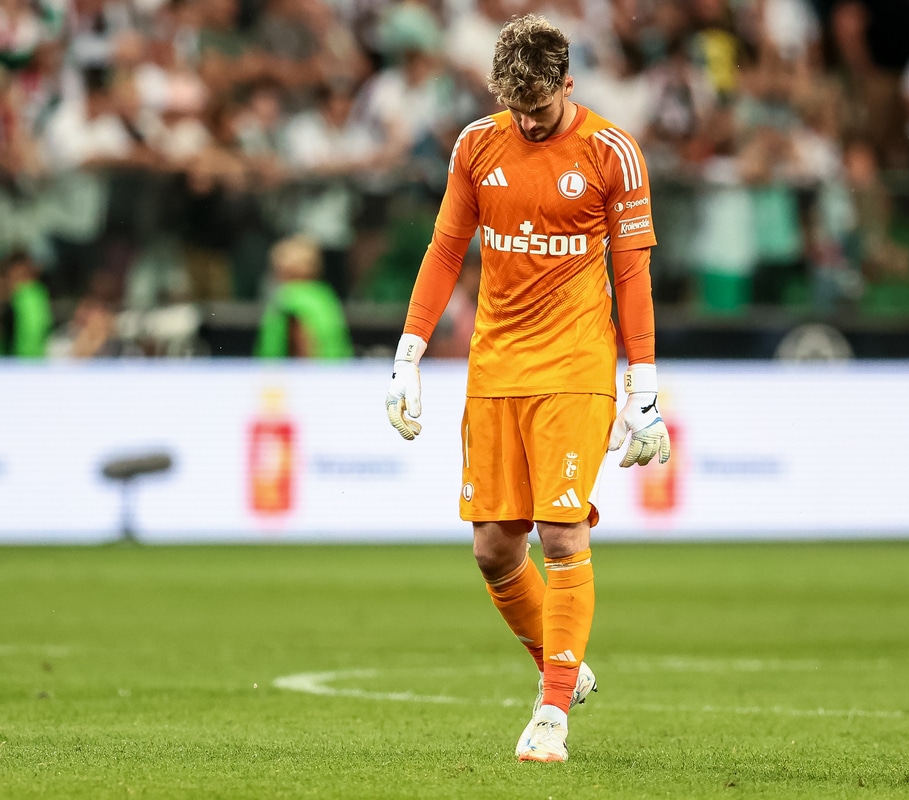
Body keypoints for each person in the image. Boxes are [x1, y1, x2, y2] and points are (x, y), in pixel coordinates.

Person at [384, 15, 670, 763]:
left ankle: (551, 711)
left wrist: (643, 385)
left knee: (562, 532)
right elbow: (446, 249)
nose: (529, 121)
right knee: (492, 549)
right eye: (516, 108)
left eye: (540, 107)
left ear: (568, 84)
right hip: (495, 367)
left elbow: (632, 275)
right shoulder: (476, 146)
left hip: (576, 364)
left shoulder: (612, 152)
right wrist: (409, 354)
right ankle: (563, 664)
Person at [254, 235, 353, 359]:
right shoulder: (325, 296)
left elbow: (302, 346)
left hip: (301, 370)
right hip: (336, 368)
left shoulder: (291, 301)